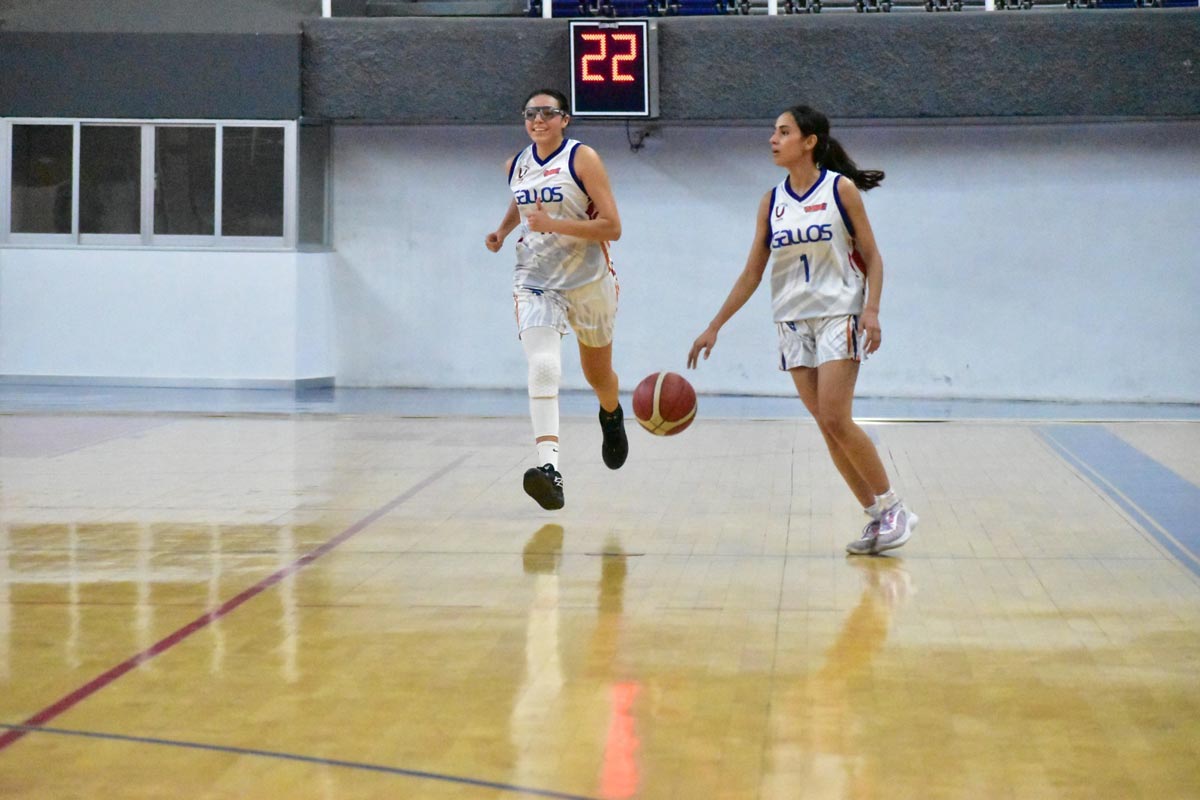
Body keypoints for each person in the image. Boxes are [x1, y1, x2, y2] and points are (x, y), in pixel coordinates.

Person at [687, 105, 917, 555]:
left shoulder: (840, 190)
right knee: (825, 425)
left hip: (839, 312)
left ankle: (895, 509)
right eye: (773, 131)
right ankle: (875, 516)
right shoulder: (771, 201)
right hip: (791, 319)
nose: (773, 139)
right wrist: (715, 325)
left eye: (784, 131)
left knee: (835, 415)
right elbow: (753, 271)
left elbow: (872, 256)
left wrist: (872, 310)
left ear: (809, 141)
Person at [486, 89, 628, 511]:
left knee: (598, 374)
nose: (538, 120)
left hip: (588, 281)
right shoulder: (516, 163)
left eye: (547, 113)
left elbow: (612, 227)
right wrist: (503, 230)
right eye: (530, 113)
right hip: (535, 280)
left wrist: (556, 224)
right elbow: (522, 198)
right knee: (544, 366)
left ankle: (611, 414)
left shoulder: (583, 159)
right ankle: (550, 468)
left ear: (564, 119)